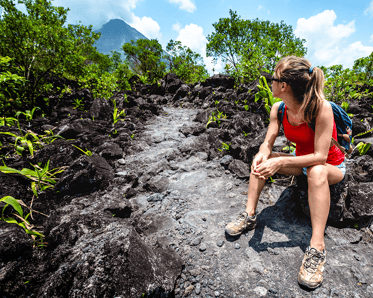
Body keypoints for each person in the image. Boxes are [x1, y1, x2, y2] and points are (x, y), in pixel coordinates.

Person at [225, 56, 346, 289]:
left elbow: (321, 156)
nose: (270, 81)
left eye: (273, 78)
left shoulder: (321, 109)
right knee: (262, 159)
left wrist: (280, 165)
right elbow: (268, 143)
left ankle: (317, 247)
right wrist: (263, 153)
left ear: (284, 86)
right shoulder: (279, 109)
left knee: (316, 172)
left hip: (329, 167)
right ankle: (249, 215)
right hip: (303, 162)